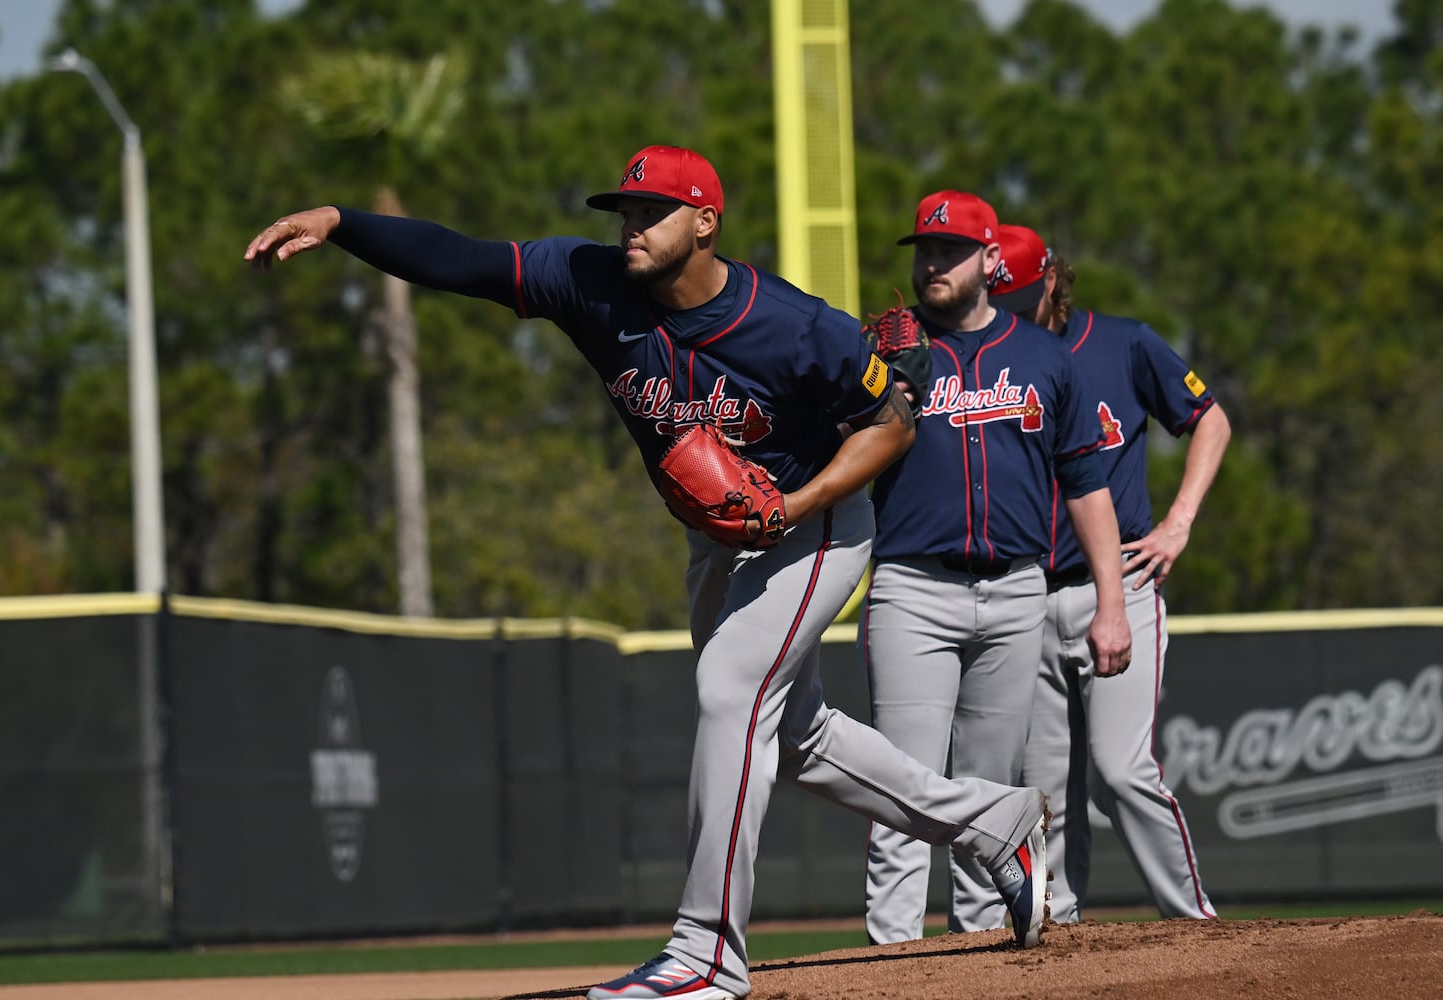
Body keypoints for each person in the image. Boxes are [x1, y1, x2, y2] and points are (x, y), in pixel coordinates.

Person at [244, 145, 1054, 1000]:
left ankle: (707, 954)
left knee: (727, 691)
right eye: (624, 210)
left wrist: (796, 502)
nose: (630, 226)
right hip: (716, 535)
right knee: (793, 732)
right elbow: (464, 259)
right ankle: (992, 825)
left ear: (705, 221)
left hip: (812, 521)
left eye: (651, 211)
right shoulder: (586, 282)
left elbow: (891, 425)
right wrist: (341, 223)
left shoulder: (790, 323)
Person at [859, 192, 1133, 944]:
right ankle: (890, 963)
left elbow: (1085, 486)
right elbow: (833, 460)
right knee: (902, 790)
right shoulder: (883, 354)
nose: (932, 262)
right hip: (913, 588)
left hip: (1016, 590)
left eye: (949, 250)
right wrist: (874, 396)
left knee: (988, 792)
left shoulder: (1043, 358)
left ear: (989, 259)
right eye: (923, 250)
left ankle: (978, 959)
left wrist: (1111, 603)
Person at [993, 223, 1229, 923]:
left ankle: (1193, 921)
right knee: (1045, 790)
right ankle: (1058, 931)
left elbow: (1208, 419)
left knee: (1123, 770)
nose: (1003, 310)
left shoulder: (1122, 343)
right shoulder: (986, 361)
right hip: (1027, 591)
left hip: (1116, 582)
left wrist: (1178, 523)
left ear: (1049, 284)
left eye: (1014, 296)